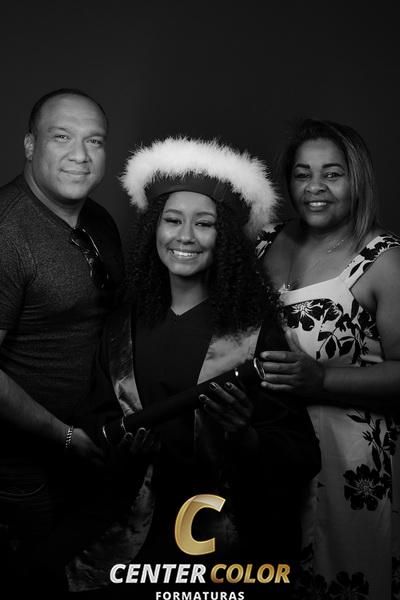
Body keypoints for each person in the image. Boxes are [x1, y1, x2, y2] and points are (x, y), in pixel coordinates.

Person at [62, 137, 321, 596]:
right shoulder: (121, 326)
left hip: (219, 545)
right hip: (131, 540)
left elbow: (302, 456)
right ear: (154, 229)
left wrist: (245, 435)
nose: (185, 236)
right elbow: (94, 428)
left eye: (204, 224)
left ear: (225, 240)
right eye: (172, 220)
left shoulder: (254, 334)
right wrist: (124, 453)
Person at [256, 118, 400, 600]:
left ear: (356, 180)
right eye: (302, 174)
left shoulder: (383, 259)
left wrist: (321, 379)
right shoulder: (265, 241)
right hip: (271, 451)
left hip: (349, 464)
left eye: (332, 174)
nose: (314, 187)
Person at [0, 88, 124, 583]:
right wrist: (64, 436)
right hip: (18, 471)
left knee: (81, 576)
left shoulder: (99, 220)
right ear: (30, 145)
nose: (81, 155)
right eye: (62, 137)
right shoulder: (7, 233)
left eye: (94, 141)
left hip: (87, 452)